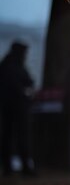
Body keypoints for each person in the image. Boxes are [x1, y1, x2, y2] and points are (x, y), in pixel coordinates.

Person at [0, 41, 35, 176]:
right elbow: (18, 85)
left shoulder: (10, 64)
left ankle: (14, 166)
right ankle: (19, 166)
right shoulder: (11, 66)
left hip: (14, 107)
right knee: (16, 137)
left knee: (11, 137)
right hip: (15, 107)